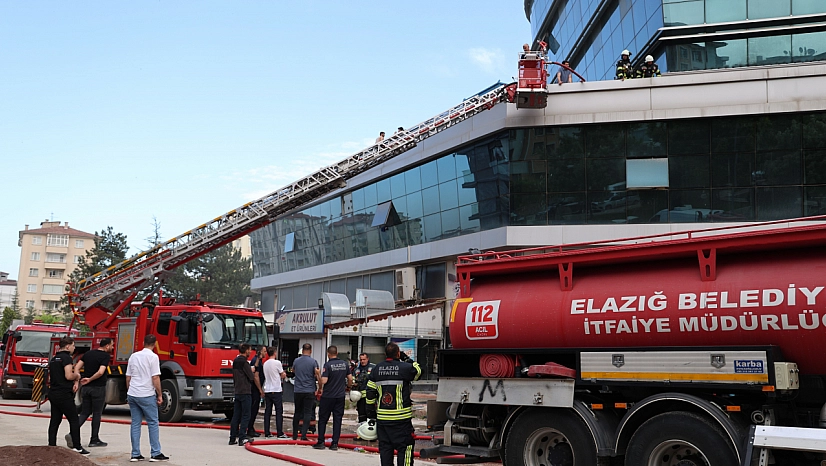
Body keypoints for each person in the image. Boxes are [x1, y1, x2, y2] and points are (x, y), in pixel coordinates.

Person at [366, 342, 422, 466]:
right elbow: (418, 371)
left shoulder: (376, 369)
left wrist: (371, 413)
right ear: (398, 353)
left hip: (383, 420)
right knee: (406, 447)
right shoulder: (404, 368)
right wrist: (406, 358)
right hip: (401, 420)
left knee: (385, 449)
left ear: (385, 354)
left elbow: (369, 393)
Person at [126, 334, 169, 462]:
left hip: (133, 393)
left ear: (143, 342)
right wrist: (160, 394)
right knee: (153, 423)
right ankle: (155, 453)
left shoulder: (133, 356)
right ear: (154, 344)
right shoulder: (153, 357)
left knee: (135, 423)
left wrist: (130, 390)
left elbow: (128, 377)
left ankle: (135, 454)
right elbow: (155, 377)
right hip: (146, 394)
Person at [48, 336, 89, 456]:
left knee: (55, 420)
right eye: (73, 345)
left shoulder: (54, 359)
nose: (74, 348)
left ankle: (51, 445)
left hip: (53, 392)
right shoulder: (66, 358)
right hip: (64, 394)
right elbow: (68, 376)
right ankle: (77, 446)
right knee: (74, 420)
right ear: (67, 346)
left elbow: (52, 377)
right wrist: (77, 377)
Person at [72, 338, 114, 448]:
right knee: (97, 413)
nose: (112, 347)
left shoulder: (88, 354)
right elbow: (101, 372)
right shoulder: (105, 356)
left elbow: (76, 367)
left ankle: (72, 433)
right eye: (111, 345)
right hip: (98, 388)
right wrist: (90, 379)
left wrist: (78, 379)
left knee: (85, 412)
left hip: (85, 388)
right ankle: (94, 439)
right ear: (106, 346)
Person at [313, 346, 353, 451]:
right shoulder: (345, 364)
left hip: (328, 396)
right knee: (337, 419)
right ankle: (335, 443)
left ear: (328, 354)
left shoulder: (328, 365)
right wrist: (348, 387)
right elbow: (350, 378)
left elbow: (324, 381)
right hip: (340, 396)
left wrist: (318, 374)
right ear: (337, 352)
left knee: (322, 419)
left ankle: (321, 442)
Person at [229, 343, 264, 446]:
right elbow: (251, 376)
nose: (250, 352)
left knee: (236, 415)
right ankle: (242, 437)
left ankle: (232, 438)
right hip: (245, 392)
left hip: (238, 391)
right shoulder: (244, 362)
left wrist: (257, 360)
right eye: (249, 350)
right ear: (246, 350)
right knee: (246, 415)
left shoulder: (236, 361)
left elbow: (249, 370)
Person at [292, 343, 321, 441]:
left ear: (302, 350)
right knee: (307, 413)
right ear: (311, 351)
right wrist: (319, 388)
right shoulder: (313, 362)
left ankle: (295, 434)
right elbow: (317, 375)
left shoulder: (296, 361)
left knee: (297, 412)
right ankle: (303, 435)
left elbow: (293, 370)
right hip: (309, 390)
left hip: (298, 390)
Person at [262, 346, 288, 439]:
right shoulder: (277, 363)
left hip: (267, 389)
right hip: (276, 389)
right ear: (275, 353)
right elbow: (282, 374)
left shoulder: (265, 363)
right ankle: (280, 432)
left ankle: (267, 432)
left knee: (267, 411)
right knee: (278, 411)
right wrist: (284, 374)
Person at [245, 345, 266, 439]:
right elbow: (256, 376)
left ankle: (250, 428)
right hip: (254, 389)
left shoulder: (258, 361)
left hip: (254, 389)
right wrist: (260, 389)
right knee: (253, 409)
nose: (265, 353)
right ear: (260, 352)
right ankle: (249, 429)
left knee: (254, 409)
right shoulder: (256, 361)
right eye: (264, 351)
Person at [352, 353, 375, 423]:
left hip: (371, 397)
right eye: (361, 359)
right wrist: (354, 384)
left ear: (367, 359)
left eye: (364, 359)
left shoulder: (373, 368)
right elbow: (353, 380)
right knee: (362, 416)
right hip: (360, 397)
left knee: (372, 416)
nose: (362, 361)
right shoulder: (356, 370)